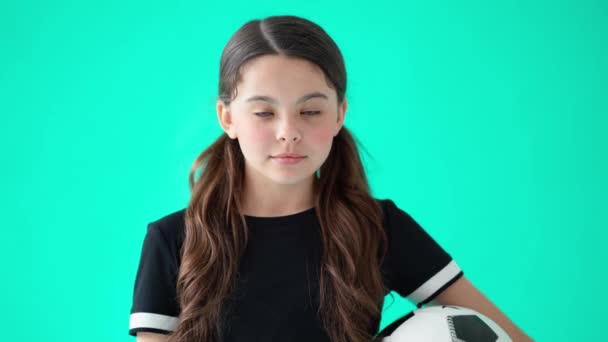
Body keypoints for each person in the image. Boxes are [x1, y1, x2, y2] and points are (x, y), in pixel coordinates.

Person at [129, 15, 533, 342]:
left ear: (339, 114)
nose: (288, 131)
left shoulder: (378, 228)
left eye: (311, 111)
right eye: (264, 113)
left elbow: (506, 335)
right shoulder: (173, 240)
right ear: (227, 118)